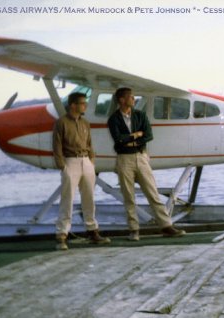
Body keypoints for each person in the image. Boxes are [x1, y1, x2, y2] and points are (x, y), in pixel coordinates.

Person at [107, 87, 186, 241]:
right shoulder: (113, 119)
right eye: (131, 97)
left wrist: (130, 140)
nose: (134, 99)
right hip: (124, 159)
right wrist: (136, 135)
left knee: (152, 193)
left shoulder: (140, 115)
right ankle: (134, 230)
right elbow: (119, 140)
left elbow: (148, 135)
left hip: (141, 157)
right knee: (128, 196)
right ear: (121, 100)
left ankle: (166, 226)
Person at [53, 92, 110, 250]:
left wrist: (91, 161)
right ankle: (62, 234)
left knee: (89, 197)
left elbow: (90, 143)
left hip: (86, 162)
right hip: (70, 161)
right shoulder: (61, 122)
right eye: (82, 103)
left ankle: (92, 231)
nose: (85, 106)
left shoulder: (85, 123)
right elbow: (57, 146)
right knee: (68, 198)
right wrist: (62, 166)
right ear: (73, 105)